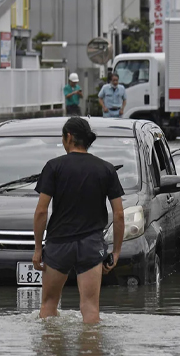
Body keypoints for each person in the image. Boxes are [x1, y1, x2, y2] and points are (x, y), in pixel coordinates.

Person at [32, 117, 125, 324]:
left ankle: (51, 355)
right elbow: (118, 214)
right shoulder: (106, 169)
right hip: (91, 245)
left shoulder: (54, 167)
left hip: (59, 245)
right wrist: (116, 252)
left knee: (48, 304)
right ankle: (90, 353)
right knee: (90, 307)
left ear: (69, 137)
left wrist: (38, 248)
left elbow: (41, 212)